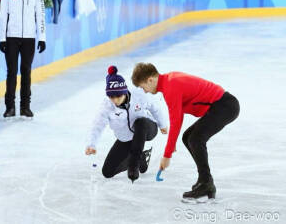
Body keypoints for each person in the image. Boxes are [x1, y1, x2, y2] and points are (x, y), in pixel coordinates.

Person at [131, 63, 240, 200]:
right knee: (188, 137)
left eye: (143, 87)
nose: (145, 91)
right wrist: (172, 143)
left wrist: (167, 154)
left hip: (225, 106)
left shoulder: (170, 87)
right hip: (221, 105)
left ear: (150, 80)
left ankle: (206, 183)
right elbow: (179, 117)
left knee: (195, 139)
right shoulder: (169, 80)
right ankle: (204, 180)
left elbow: (176, 121)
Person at [85, 66, 168, 182]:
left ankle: (134, 164)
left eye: (118, 96)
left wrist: (162, 124)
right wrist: (91, 144)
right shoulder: (106, 107)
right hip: (127, 138)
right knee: (107, 172)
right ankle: (141, 158)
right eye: (111, 97)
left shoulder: (139, 95)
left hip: (147, 129)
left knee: (141, 121)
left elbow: (155, 107)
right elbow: (97, 125)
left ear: (124, 92)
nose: (115, 100)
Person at [0, 0, 46, 118]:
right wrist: (2, 38)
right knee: (11, 72)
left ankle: (25, 107)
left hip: (29, 38)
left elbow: (40, 16)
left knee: (26, 72)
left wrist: (42, 37)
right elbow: (3, 16)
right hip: (12, 37)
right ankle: (10, 107)